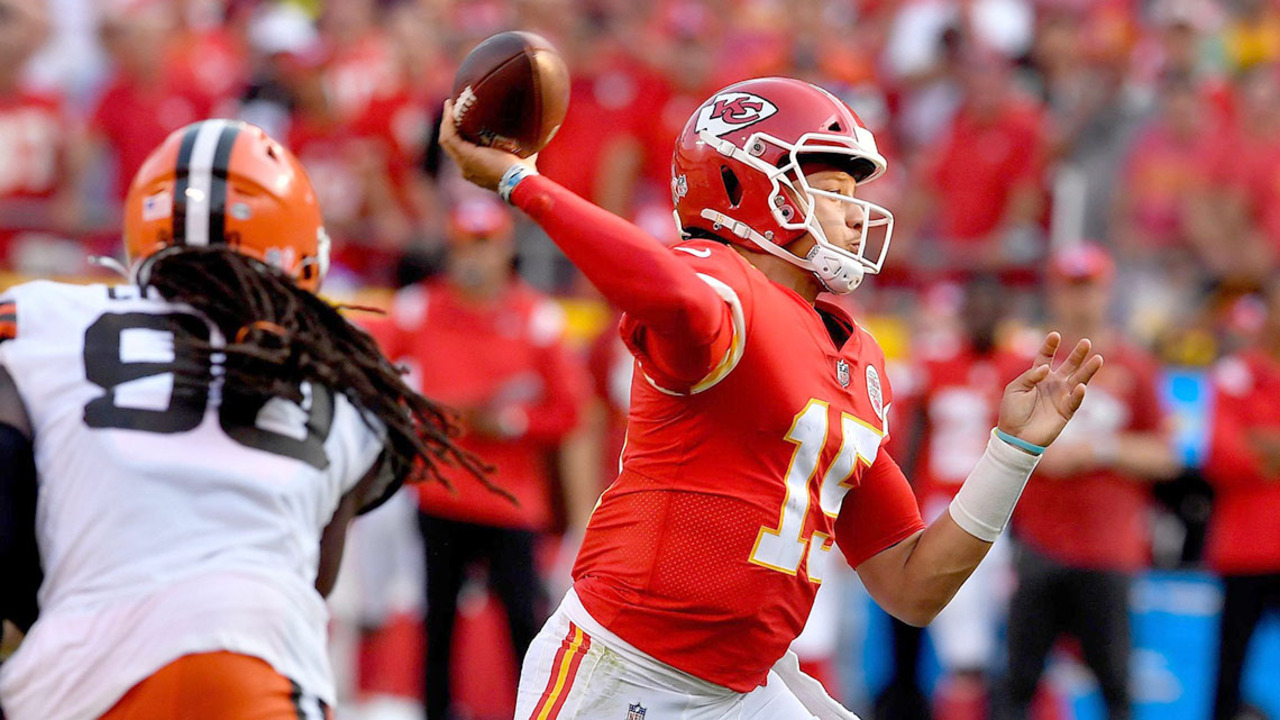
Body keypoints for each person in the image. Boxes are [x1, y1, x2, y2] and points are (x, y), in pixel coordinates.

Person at [440, 76, 1103, 718]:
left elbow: (912, 584)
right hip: (626, 669)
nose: (855, 212)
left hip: (740, 686)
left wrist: (1011, 453)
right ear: (747, 182)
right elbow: (673, 294)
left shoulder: (857, 356)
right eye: (835, 189)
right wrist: (522, 182)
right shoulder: (717, 282)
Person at [0, 119, 496, 720]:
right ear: (300, 251)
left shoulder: (45, 318)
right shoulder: (340, 368)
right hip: (262, 665)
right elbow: (314, 577)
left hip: (83, 673)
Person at [371, 195, 589, 720]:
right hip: (442, 495)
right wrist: (424, 416)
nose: (475, 258)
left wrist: (509, 423)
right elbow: (373, 372)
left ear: (504, 248)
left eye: (485, 245)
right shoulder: (420, 308)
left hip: (511, 502)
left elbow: (571, 410)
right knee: (438, 622)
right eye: (467, 246)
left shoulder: (536, 318)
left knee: (524, 622)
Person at [998, 244, 1179, 720]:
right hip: (1039, 543)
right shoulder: (1028, 364)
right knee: (1017, 680)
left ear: (1107, 291)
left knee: (1115, 682)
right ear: (1054, 293)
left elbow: (1166, 454)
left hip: (1108, 549)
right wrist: (1042, 455)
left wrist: (1097, 450)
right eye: (1071, 288)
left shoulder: (1135, 366)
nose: (1081, 301)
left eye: (1090, 288)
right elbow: (996, 445)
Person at [879, 277, 1030, 720]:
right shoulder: (933, 362)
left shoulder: (1021, 365)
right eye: (974, 308)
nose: (981, 316)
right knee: (955, 634)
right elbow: (909, 440)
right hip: (941, 506)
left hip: (1001, 515)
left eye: (991, 308)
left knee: (990, 632)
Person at [1205, 277, 1280, 720]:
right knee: (1229, 672)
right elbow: (1222, 455)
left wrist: (1265, 445)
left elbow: (1241, 450)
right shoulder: (1236, 374)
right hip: (1246, 548)